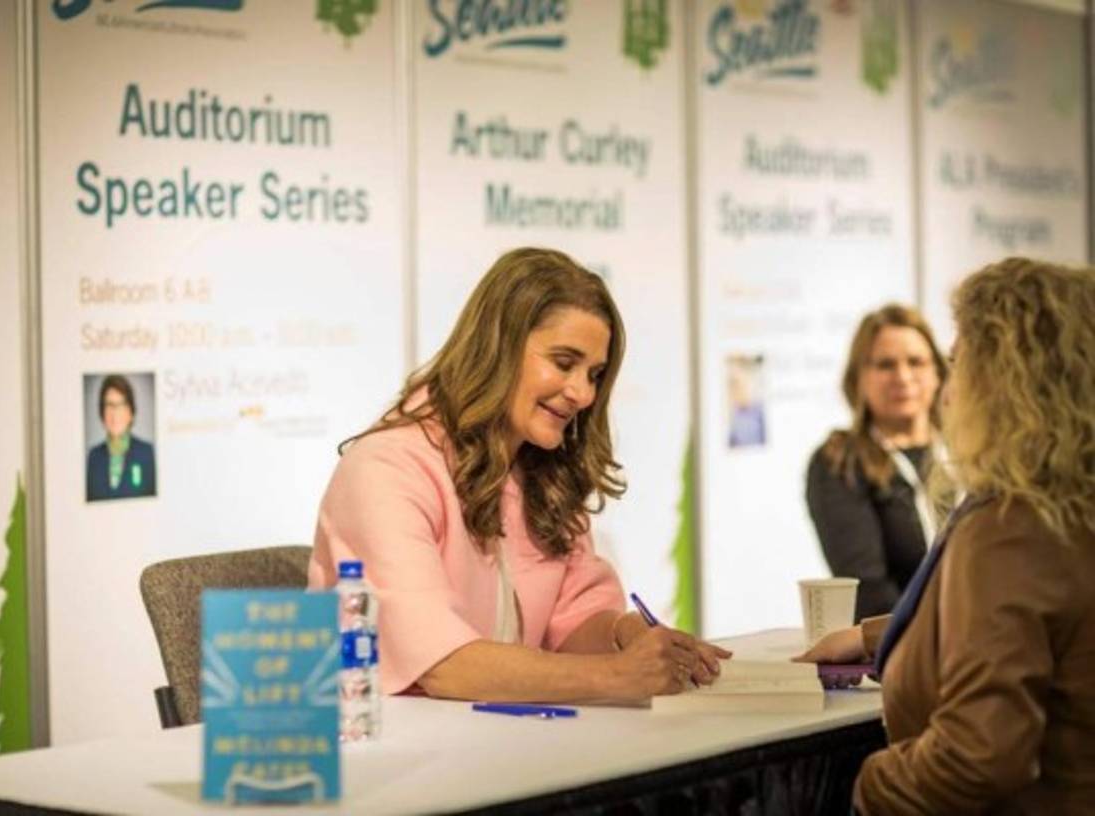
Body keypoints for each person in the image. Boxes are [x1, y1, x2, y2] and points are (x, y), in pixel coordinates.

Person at [308, 247, 729, 702]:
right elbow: (442, 664)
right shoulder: (386, 468)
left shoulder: (541, 471)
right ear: (498, 347)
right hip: (401, 760)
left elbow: (572, 623)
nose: (583, 393)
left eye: (595, 374)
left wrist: (626, 636)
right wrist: (617, 677)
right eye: (564, 363)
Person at [799, 258, 1095, 813]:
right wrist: (875, 635)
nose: (940, 385)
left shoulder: (1009, 525)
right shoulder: (1068, 508)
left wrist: (869, 786)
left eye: (954, 363)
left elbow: (976, 757)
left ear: (1005, 381)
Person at [805, 304, 949, 620]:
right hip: (898, 649)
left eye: (916, 362)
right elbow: (868, 589)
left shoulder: (966, 454)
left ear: (938, 372)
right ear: (858, 378)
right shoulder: (839, 463)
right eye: (885, 365)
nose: (903, 376)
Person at [86, 374, 156, 502]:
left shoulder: (147, 453)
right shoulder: (93, 457)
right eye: (109, 405)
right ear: (102, 413)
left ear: (131, 413)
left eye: (121, 405)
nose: (114, 413)